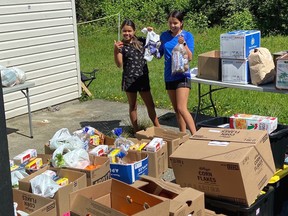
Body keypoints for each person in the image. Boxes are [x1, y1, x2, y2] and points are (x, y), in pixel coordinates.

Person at [114, 19, 160, 133]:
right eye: (124, 31)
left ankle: (157, 127)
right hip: (129, 79)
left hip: (142, 77)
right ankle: (136, 130)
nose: (127, 33)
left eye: (129, 31)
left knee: (150, 104)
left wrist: (150, 32)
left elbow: (154, 44)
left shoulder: (141, 41)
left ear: (134, 31)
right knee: (133, 106)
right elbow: (119, 64)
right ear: (121, 31)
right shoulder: (121, 46)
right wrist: (116, 51)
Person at [158, 10, 197, 135]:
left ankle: (195, 135)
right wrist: (152, 47)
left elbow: (190, 57)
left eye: (175, 23)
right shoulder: (164, 36)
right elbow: (159, 54)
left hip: (182, 75)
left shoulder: (187, 36)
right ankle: (182, 135)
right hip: (169, 76)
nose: (172, 25)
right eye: (170, 23)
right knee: (176, 109)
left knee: (182, 107)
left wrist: (183, 43)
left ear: (181, 23)